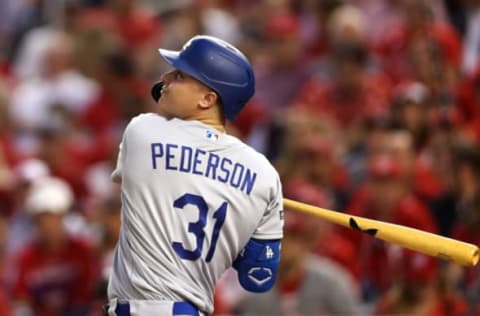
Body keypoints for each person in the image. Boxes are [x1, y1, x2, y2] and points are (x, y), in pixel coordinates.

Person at [106, 35, 284, 316]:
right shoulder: (264, 174)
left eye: (178, 75)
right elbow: (257, 277)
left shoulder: (143, 132)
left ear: (208, 98)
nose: (165, 77)